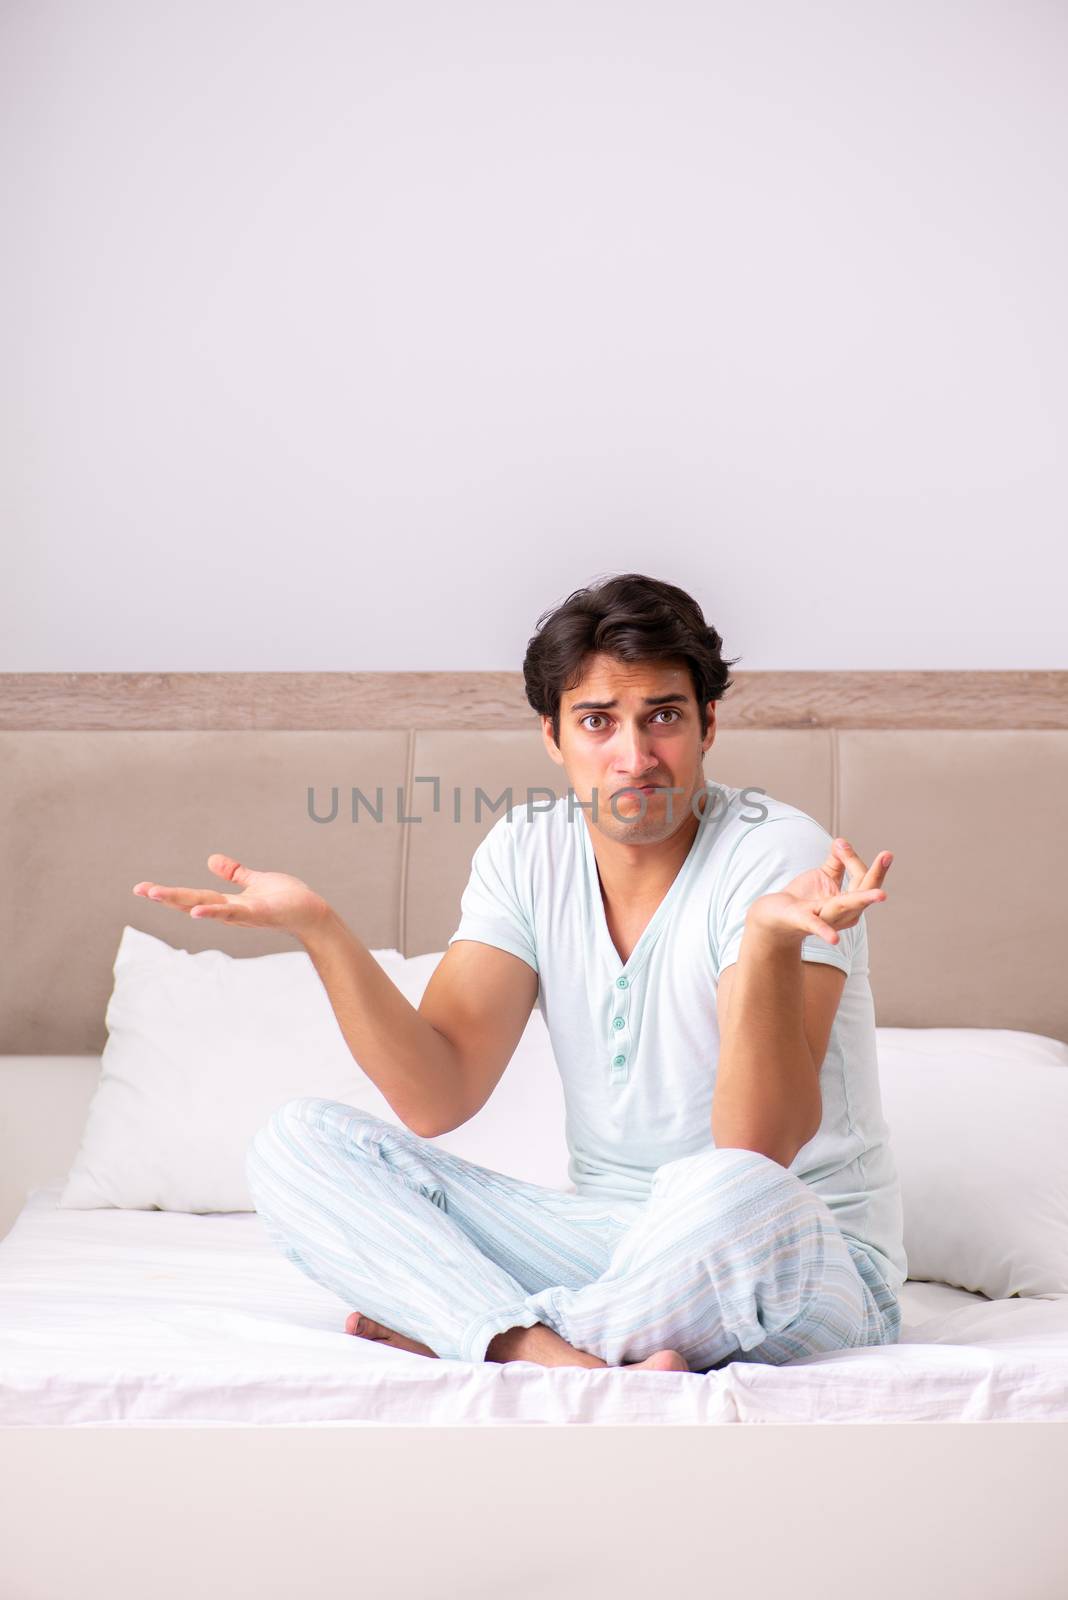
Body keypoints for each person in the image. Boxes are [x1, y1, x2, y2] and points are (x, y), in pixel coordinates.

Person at [132, 572, 906, 1375]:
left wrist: (768, 943)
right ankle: (538, 1350)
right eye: (598, 722)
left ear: (709, 723)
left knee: (729, 1197)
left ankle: (467, 1327)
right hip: (608, 1247)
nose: (633, 757)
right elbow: (438, 1096)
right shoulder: (526, 852)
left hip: (792, 1257)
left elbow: (754, 1150)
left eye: (663, 718)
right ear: (553, 735)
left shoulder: (774, 854)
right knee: (297, 1142)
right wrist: (320, 932)